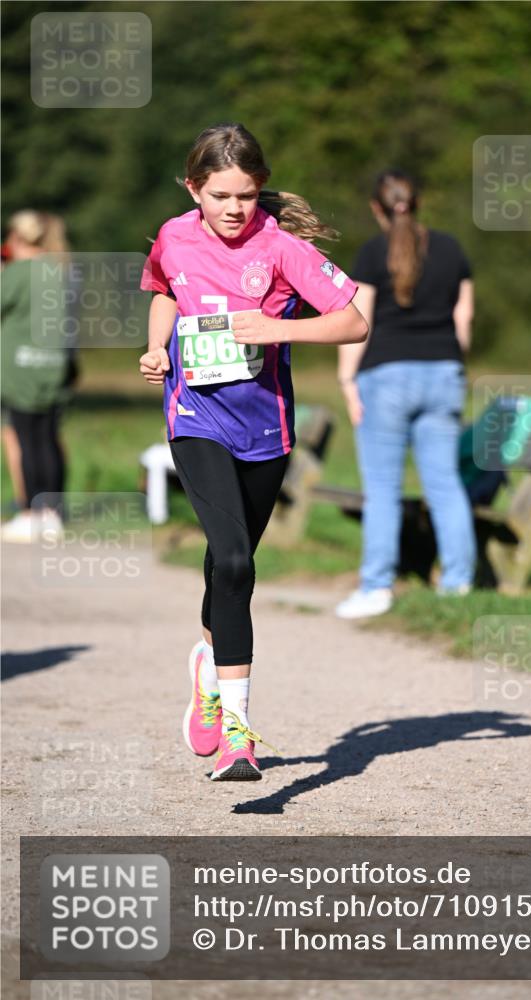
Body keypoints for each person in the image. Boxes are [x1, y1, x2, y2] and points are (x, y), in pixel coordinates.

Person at [139, 122, 367, 781]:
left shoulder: (282, 247)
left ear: (258, 189)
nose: (233, 208)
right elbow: (161, 290)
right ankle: (240, 737)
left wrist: (276, 327)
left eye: (244, 194)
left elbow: (353, 319)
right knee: (235, 563)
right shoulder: (173, 236)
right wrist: (158, 349)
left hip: (264, 429)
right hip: (195, 417)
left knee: (227, 565)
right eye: (219, 195)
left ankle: (208, 671)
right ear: (194, 190)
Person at [335, 170, 476, 619]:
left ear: (376, 208)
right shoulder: (452, 248)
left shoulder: (371, 253)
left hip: (385, 377)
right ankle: (457, 585)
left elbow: (358, 321)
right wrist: (450, 363)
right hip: (444, 374)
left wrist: (346, 382)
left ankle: (376, 587)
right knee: (445, 485)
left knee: (381, 489)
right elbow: (464, 322)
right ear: (418, 203)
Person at [1, 211, 73, 543]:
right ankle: (52, 514)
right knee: (47, 440)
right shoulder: (63, 272)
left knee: (27, 441)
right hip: (55, 366)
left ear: (17, 239)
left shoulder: (18, 273)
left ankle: (31, 513)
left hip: (21, 369)